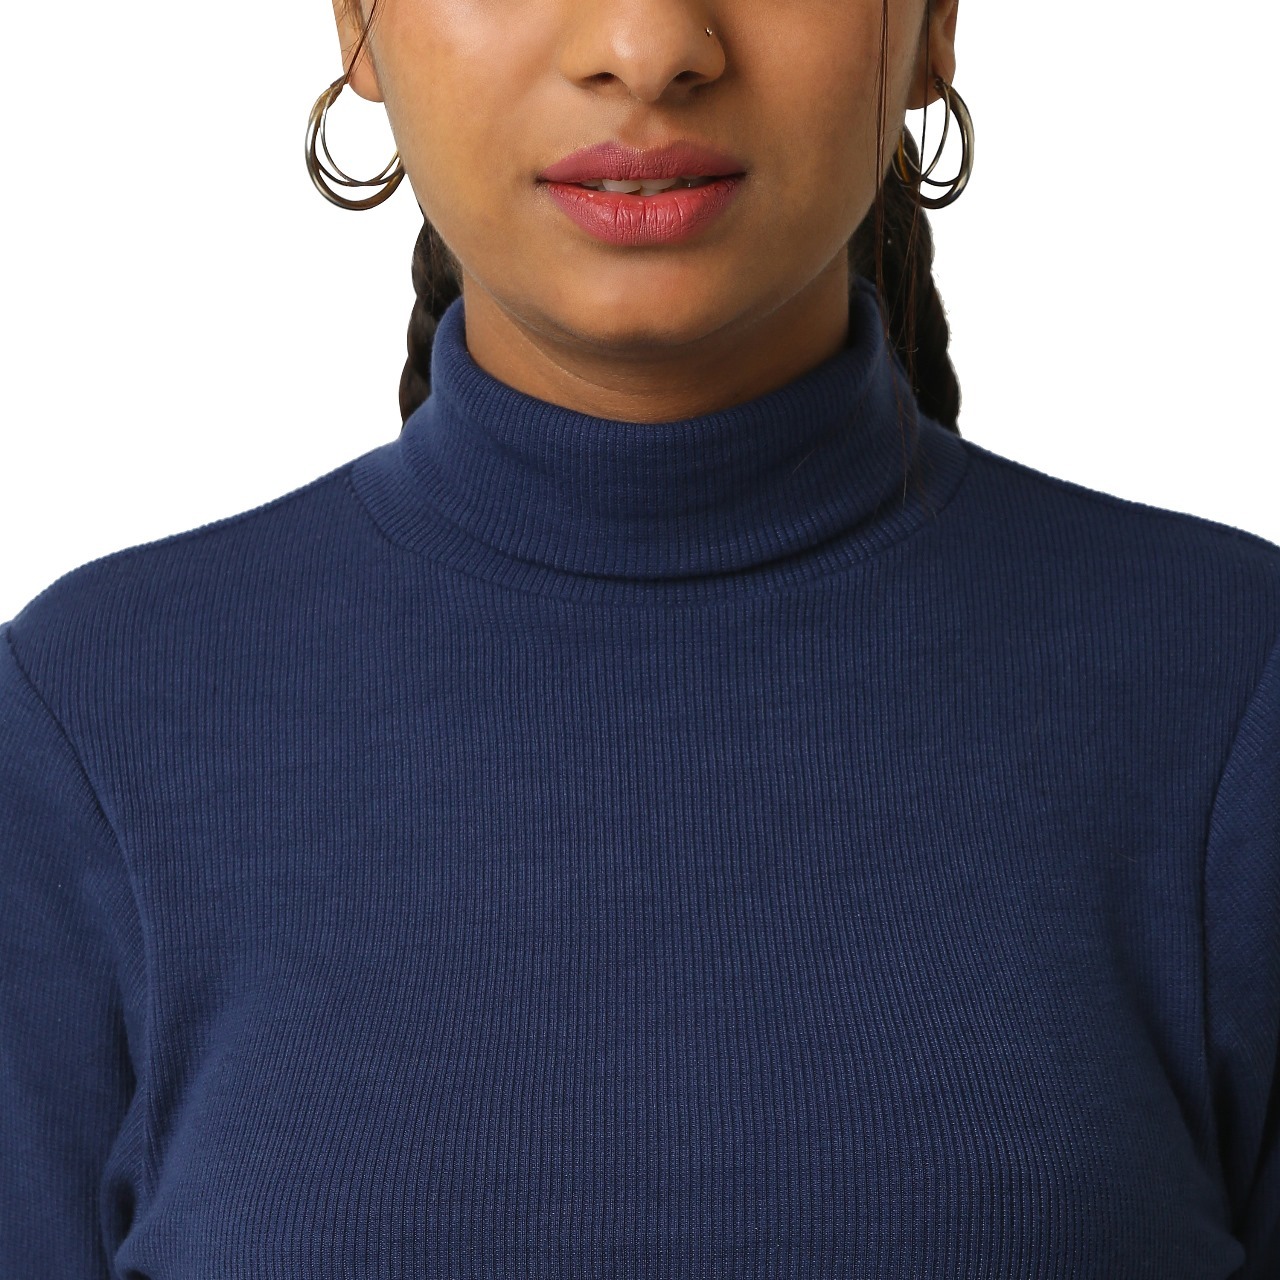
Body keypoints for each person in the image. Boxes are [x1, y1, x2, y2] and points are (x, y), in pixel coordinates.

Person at [1, 0, 1276, 1274]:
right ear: (355, 24)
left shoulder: (1236, 698)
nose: (646, 45)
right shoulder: (79, 739)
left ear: (934, 21)